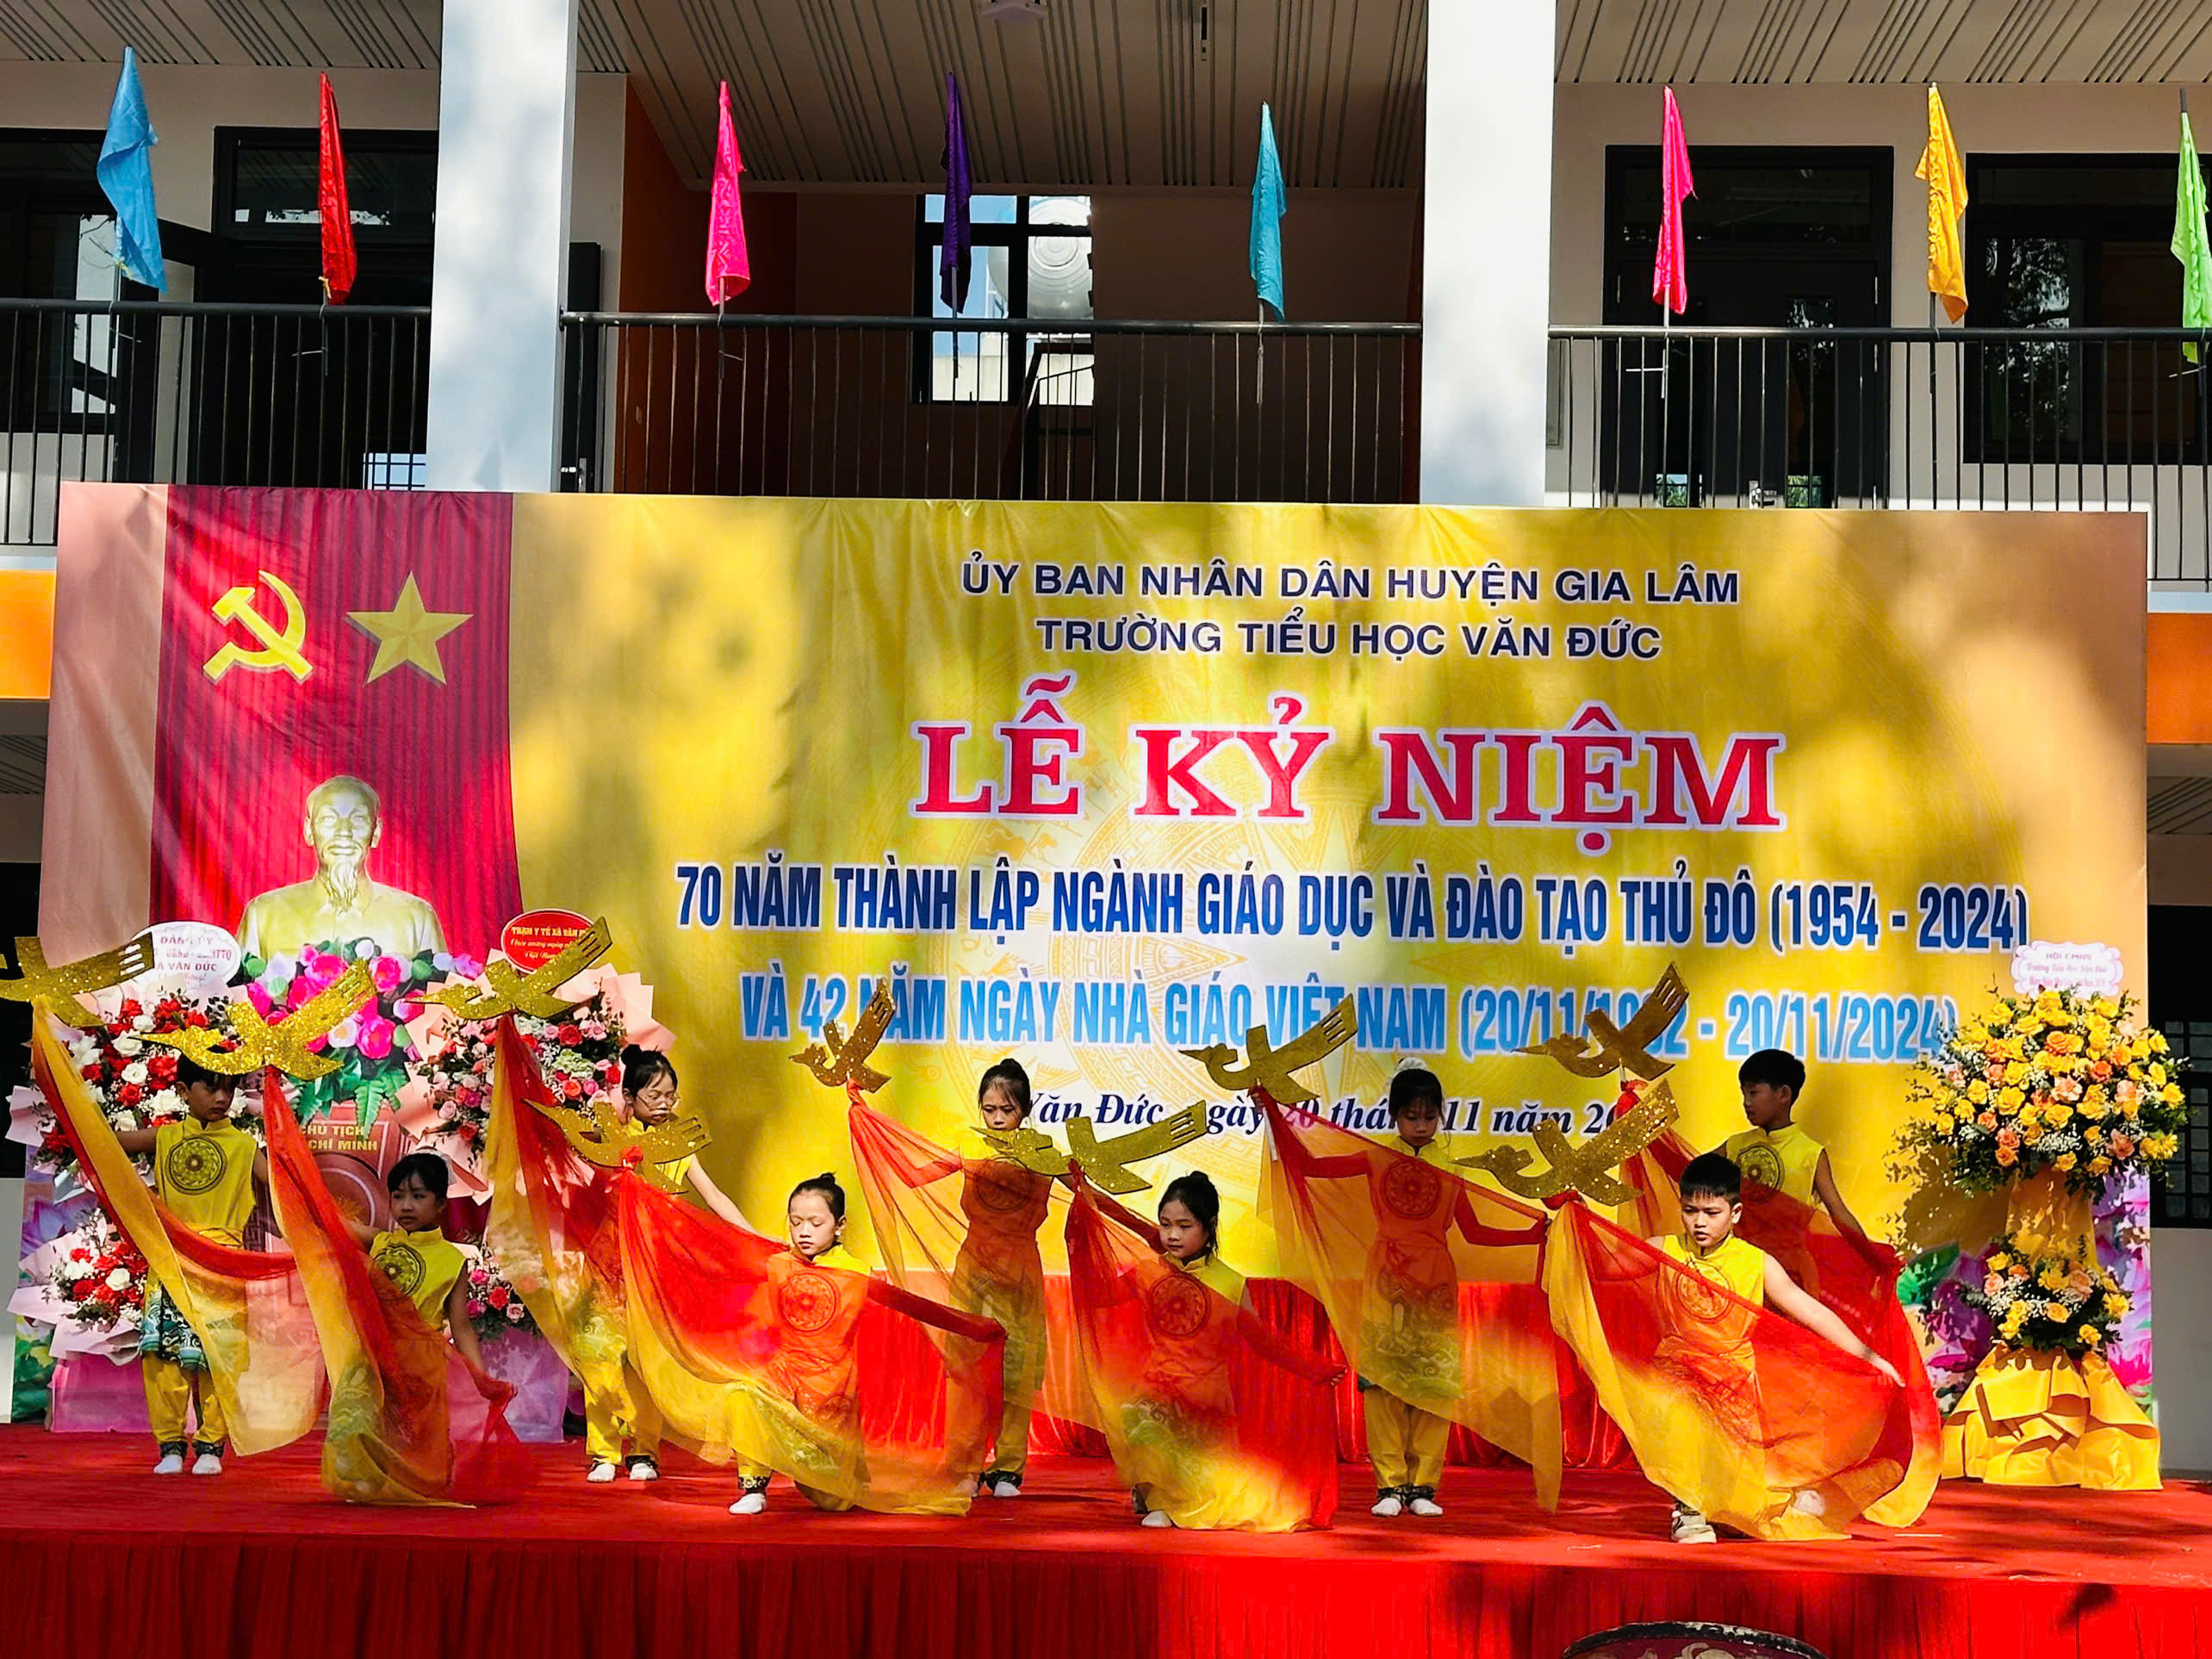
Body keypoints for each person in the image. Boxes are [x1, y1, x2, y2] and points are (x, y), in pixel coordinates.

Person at [1263, 1067, 1550, 1518]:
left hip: (1436, 1280)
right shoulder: (1375, 1158)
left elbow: (1475, 1233)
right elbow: (1314, 1167)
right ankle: (1390, 1486)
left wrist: (1535, 1234)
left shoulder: (1452, 1170)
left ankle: (1423, 1487)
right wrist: (1275, 1118)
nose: (1421, 1125)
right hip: (1387, 1275)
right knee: (1383, 1383)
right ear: (1394, 1115)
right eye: (1411, 1116)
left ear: (1440, 1116)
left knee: (1433, 1384)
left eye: (1429, 1116)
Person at [1066, 1169, 1343, 1532]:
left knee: (1225, 1492)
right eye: (1166, 1224)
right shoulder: (1150, 1270)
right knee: (1141, 1413)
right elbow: (1101, 1295)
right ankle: (1160, 1498)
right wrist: (1083, 1231)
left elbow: (1261, 1339)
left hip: (1205, 1398)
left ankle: (1167, 1499)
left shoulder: (1229, 1281)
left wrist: (1313, 1367)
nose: (1172, 1235)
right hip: (1156, 1390)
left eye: (1185, 1226)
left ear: (1208, 1227)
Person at [1648, 1153, 1902, 1544]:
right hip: (1679, 1370)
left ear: (1735, 1213)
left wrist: (1868, 1355)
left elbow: (1810, 1310)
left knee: (1740, 1498)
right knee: (1684, 1426)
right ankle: (1688, 1511)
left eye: (1711, 1213)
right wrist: (1569, 1223)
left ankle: (1735, 1505)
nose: (1699, 1222)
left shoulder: (1756, 1263)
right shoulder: (1663, 1249)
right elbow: (1602, 1257)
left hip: (1734, 1380)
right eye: (1690, 1211)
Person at [848, 1059, 1059, 1499]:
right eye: (989, 1109)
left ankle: (1008, 1469)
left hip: (1020, 1269)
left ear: (1025, 1109)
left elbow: (1087, 1190)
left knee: (1017, 1370)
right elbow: (913, 1175)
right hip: (974, 1268)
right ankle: (965, 1464)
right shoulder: (970, 1145)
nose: (997, 1118)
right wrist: (865, 1117)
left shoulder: (1044, 1153)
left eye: (1007, 1110)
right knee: (965, 1367)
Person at [585, 1045, 754, 1484]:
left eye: (670, 1096)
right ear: (629, 1097)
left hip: (658, 1264)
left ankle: (644, 1451)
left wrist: (753, 1237)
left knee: (648, 1361)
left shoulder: (679, 1142)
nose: (663, 1104)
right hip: (610, 1260)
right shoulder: (611, 1138)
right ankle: (603, 1451)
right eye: (654, 1095)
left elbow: (713, 1196)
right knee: (601, 1356)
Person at [113, 1056, 270, 1476]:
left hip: (222, 1262)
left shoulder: (244, 1147)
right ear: (183, 1091)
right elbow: (105, 1142)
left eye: (229, 1088)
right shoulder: (164, 1138)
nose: (222, 1098)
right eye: (210, 1087)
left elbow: (282, 1188)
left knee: (220, 1357)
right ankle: (169, 1445)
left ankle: (211, 1446)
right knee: (164, 1354)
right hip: (173, 1261)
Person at [732, 1171, 873, 1514]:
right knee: (746, 1392)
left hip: (832, 1385)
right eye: (796, 1222)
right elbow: (733, 1228)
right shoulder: (779, 1264)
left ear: (840, 1225)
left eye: (815, 1223)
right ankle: (753, 1486)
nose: (804, 1231)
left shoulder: (858, 1273)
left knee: (833, 1500)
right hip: (785, 1373)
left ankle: (844, 1478)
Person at [236, 774, 446, 961]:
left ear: (376, 833)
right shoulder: (263, 915)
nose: (344, 831)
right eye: (328, 819)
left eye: (358, 819)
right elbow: (238, 992)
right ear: (309, 831)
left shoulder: (417, 918)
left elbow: (443, 993)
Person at [1718, 1050, 1870, 1296]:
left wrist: (1872, 1256)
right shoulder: (1734, 1145)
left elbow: (1838, 1212)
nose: (1746, 1102)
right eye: (1743, 1093)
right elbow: (1686, 1168)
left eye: (1753, 1093)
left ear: (1784, 1094)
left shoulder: (1811, 1153)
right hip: (1740, 1268)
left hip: (1792, 1275)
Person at [334, 1153, 485, 1372]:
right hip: (369, 1361)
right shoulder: (379, 1241)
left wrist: (482, 1380)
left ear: (441, 1203)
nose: (406, 1206)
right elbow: (327, 1220)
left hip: (420, 1370)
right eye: (398, 1196)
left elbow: (461, 1328)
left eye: (418, 1196)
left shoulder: (453, 1260)